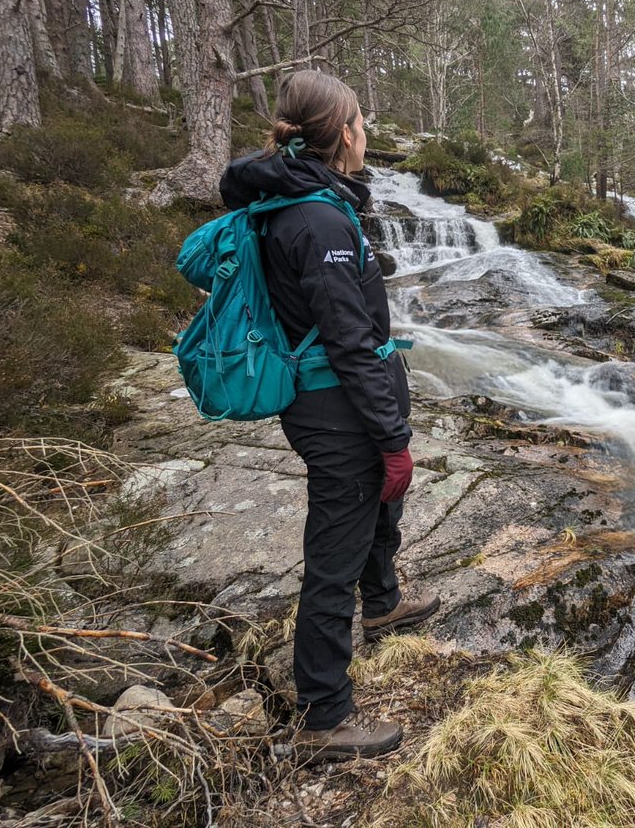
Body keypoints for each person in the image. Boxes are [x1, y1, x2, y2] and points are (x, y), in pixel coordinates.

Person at [219, 70, 440, 761]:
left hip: (337, 398)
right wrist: (393, 433)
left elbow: (335, 301)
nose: (368, 131)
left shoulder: (312, 205)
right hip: (335, 407)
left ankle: (383, 602)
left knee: (379, 507)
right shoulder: (316, 219)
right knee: (333, 552)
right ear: (343, 131)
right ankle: (324, 713)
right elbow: (347, 340)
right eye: (363, 121)